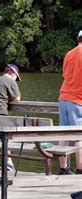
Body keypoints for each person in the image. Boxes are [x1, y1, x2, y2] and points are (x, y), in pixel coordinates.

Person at [58, 30, 82, 176]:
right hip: (78, 99)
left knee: (63, 133)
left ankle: (63, 168)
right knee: (80, 135)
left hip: (64, 97)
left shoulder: (69, 53)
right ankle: (81, 169)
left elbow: (65, 75)